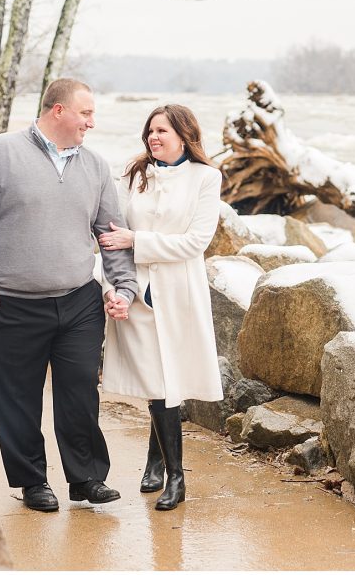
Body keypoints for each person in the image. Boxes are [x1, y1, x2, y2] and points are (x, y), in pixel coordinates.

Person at [0, 78, 138, 513]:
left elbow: (110, 235)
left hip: (78, 302)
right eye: (86, 113)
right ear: (58, 110)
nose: (92, 122)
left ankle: (86, 478)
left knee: (79, 393)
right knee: (16, 399)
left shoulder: (94, 166)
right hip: (7, 304)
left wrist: (122, 287)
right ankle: (32, 481)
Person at [96, 104, 224, 511]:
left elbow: (195, 242)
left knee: (169, 381)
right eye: (150, 130)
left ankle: (174, 475)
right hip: (137, 292)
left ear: (185, 135)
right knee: (157, 381)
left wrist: (139, 241)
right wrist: (113, 285)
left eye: (162, 131)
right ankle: (161, 462)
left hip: (178, 291)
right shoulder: (133, 175)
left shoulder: (207, 177)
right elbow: (111, 236)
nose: (153, 137)